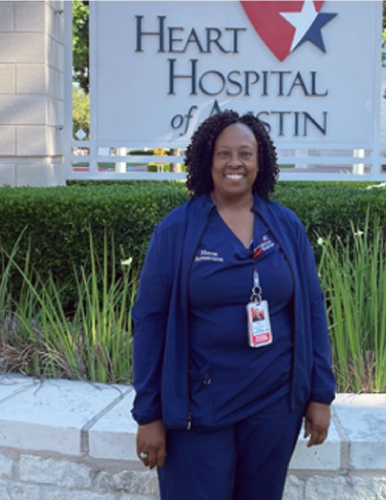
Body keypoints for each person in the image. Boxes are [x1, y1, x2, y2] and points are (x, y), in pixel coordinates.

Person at [131, 109, 336, 500]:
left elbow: (312, 308)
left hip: (275, 408)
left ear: (261, 162)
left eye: (245, 153)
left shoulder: (286, 226)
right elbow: (149, 323)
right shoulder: (177, 230)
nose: (234, 163)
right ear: (208, 161)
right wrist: (149, 414)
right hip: (198, 409)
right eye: (224, 153)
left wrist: (320, 395)